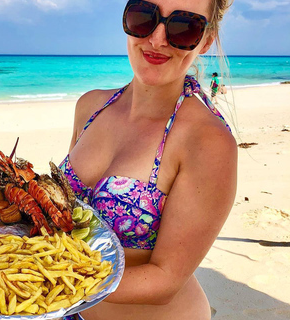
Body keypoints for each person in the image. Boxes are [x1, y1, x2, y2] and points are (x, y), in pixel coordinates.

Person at [60, 0, 237, 319]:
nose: (157, 39)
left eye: (184, 27)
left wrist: (50, 284)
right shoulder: (90, 107)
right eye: (144, 17)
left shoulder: (207, 141)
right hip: (71, 311)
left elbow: (165, 279)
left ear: (205, 40)